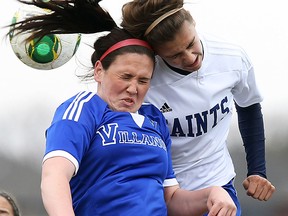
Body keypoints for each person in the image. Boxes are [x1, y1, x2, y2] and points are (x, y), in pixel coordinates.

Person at [8, 0, 237, 215]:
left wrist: (212, 193)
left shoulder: (155, 120)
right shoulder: (84, 109)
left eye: (143, 80)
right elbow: (54, 176)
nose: (133, 88)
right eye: (125, 76)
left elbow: (171, 200)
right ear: (99, 71)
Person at [121, 0, 276, 215]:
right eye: (174, 56)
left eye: (190, 43)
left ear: (193, 22)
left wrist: (257, 170)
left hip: (219, 187)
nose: (190, 58)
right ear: (157, 54)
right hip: (160, 194)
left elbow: (249, 105)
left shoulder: (231, 57)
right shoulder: (145, 79)